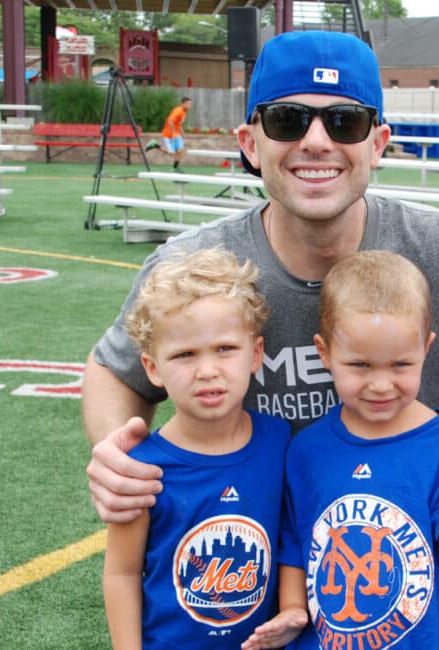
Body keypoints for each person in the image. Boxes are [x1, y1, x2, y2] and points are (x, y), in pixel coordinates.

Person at [83, 31, 439, 648]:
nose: (316, 141)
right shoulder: (195, 268)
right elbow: (114, 370)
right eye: (288, 119)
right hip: (264, 558)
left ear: (378, 143)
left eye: (344, 122)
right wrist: (115, 455)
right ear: (250, 142)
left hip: (424, 545)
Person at [242, 251, 439, 650]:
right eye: (360, 366)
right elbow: (296, 545)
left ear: (427, 348)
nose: (381, 385)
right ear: (325, 353)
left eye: (400, 364)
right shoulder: (307, 449)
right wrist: (293, 608)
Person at [102, 247, 290, 648]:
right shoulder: (140, 470)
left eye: (225, 349)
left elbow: (292, 540)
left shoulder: (280, 441)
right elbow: (121, 573)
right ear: (153, 368)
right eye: (185, 355)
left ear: (255, 354)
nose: (207, 370)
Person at [146, 96, 191, 172]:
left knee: (180, 150)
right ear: (183, 104)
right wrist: (173, 133)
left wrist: (181, 131)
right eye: (188, 104)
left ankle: (175, 168)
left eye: (190, 104)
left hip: (176, 134)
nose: (189, 105)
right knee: (171, 153)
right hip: (168, 134)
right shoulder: (178, 111)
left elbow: (178, 123)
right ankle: (154, 145)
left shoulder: (184, 112)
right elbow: (170, 121)